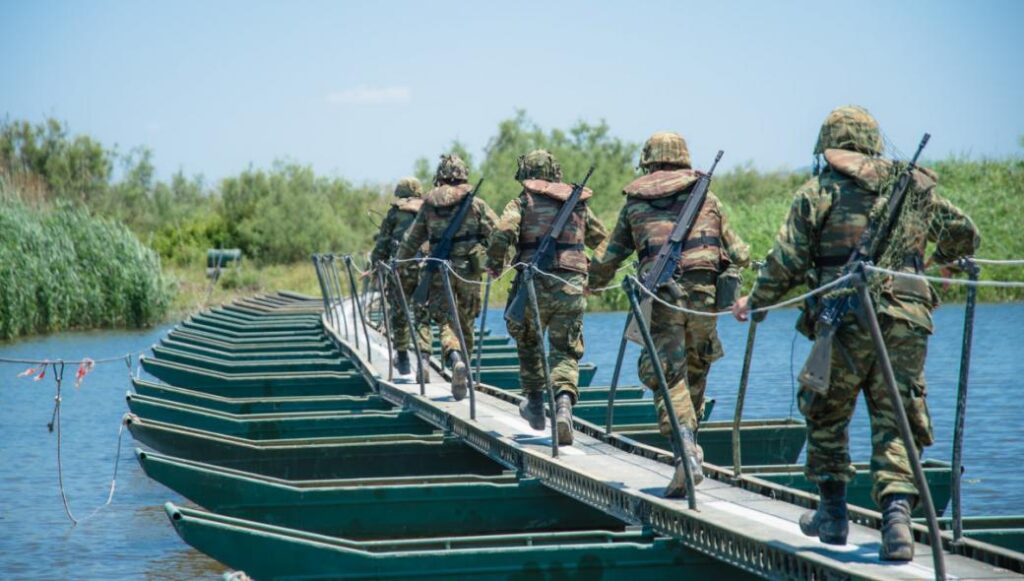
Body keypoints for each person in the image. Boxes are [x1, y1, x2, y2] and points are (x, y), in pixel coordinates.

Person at [732, 105, 980, 560]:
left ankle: (833, 514)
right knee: (898, 421)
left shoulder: (818, 192)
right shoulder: (909, 189)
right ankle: (897, 523)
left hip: (844, 321)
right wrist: (934, 260)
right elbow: (965, 235)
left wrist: (756, 302)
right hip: (906, 321)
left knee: (825, 412)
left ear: (829, 147)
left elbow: (786, 261)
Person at [589, 131, 749, 496]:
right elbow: (738, 252)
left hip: (662, 297)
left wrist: (591, 282)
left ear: (649, 161)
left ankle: (686, 453)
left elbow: (609, 257)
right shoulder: (707, 197)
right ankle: (690, 448)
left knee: (664, 372)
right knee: (694, 369)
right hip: (705, 296)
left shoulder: (635, 204)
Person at [486, 150, 608, 444]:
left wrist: (494, 263)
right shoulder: (577, 204)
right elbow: (604, 239)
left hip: (534, 284)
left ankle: (536, 404)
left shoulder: (521, 202)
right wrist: (595, 275)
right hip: (571, 286)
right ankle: (564, 405)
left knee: (527, 338)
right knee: (565, 350)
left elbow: (503, 230)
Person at [397, 154, 497, 399]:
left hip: (439, 270)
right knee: (466, 323)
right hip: (469, 272)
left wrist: (399, 263)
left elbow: (411, 240)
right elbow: (499, 231)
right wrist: (495, 260)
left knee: (446, 323)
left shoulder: (429, 204)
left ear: (440, 177)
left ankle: (454, 359)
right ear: (463, 175)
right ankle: (464, 368)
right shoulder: (476, 203)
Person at [369, 177, 433, 376]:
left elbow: (382, 245)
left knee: (399, 312)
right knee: (423, 315)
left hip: (400, 269)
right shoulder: (429, 211)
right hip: (424, 267)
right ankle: (423, 360)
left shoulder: (394, 213)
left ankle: (403, 359)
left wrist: (375, 266)